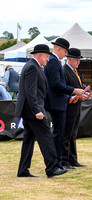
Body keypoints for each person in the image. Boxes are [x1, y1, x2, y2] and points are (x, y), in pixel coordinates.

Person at [15, 44, 67, 178]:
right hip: (33, 111)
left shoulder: (33, 66)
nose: (48, 59)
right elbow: (30, 92)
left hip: (29, 110)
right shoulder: (33, 67)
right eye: (47, 57)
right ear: (40, 55)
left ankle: (23, 170)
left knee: (28, 139)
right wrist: (37, 111)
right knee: (47, 138)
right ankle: (52, 168)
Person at [44, 38, 87, 168]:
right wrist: (74, 91)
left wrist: (79, 92)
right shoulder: (54, 63)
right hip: (60, 103)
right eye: (65, 52)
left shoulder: (56, 62)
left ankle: (65, 161)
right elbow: (57, 84)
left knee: (67, 134)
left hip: (63, 103)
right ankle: (60, 162)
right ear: (60, 49)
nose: (65, 54)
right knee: (62, 135)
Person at [62, 48, 90, 169]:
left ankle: (73, 160)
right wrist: (76, 94)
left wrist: (85, 92)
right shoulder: (65, 70)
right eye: (77, 60)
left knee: (73, 134)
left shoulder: (74, 71)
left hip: (76, 105)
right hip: (70, 106)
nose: (78, 63)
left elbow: (78, 86)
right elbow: (64, 87)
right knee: (67, 135)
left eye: (79, 60)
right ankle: (65, 161)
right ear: (69, 59)